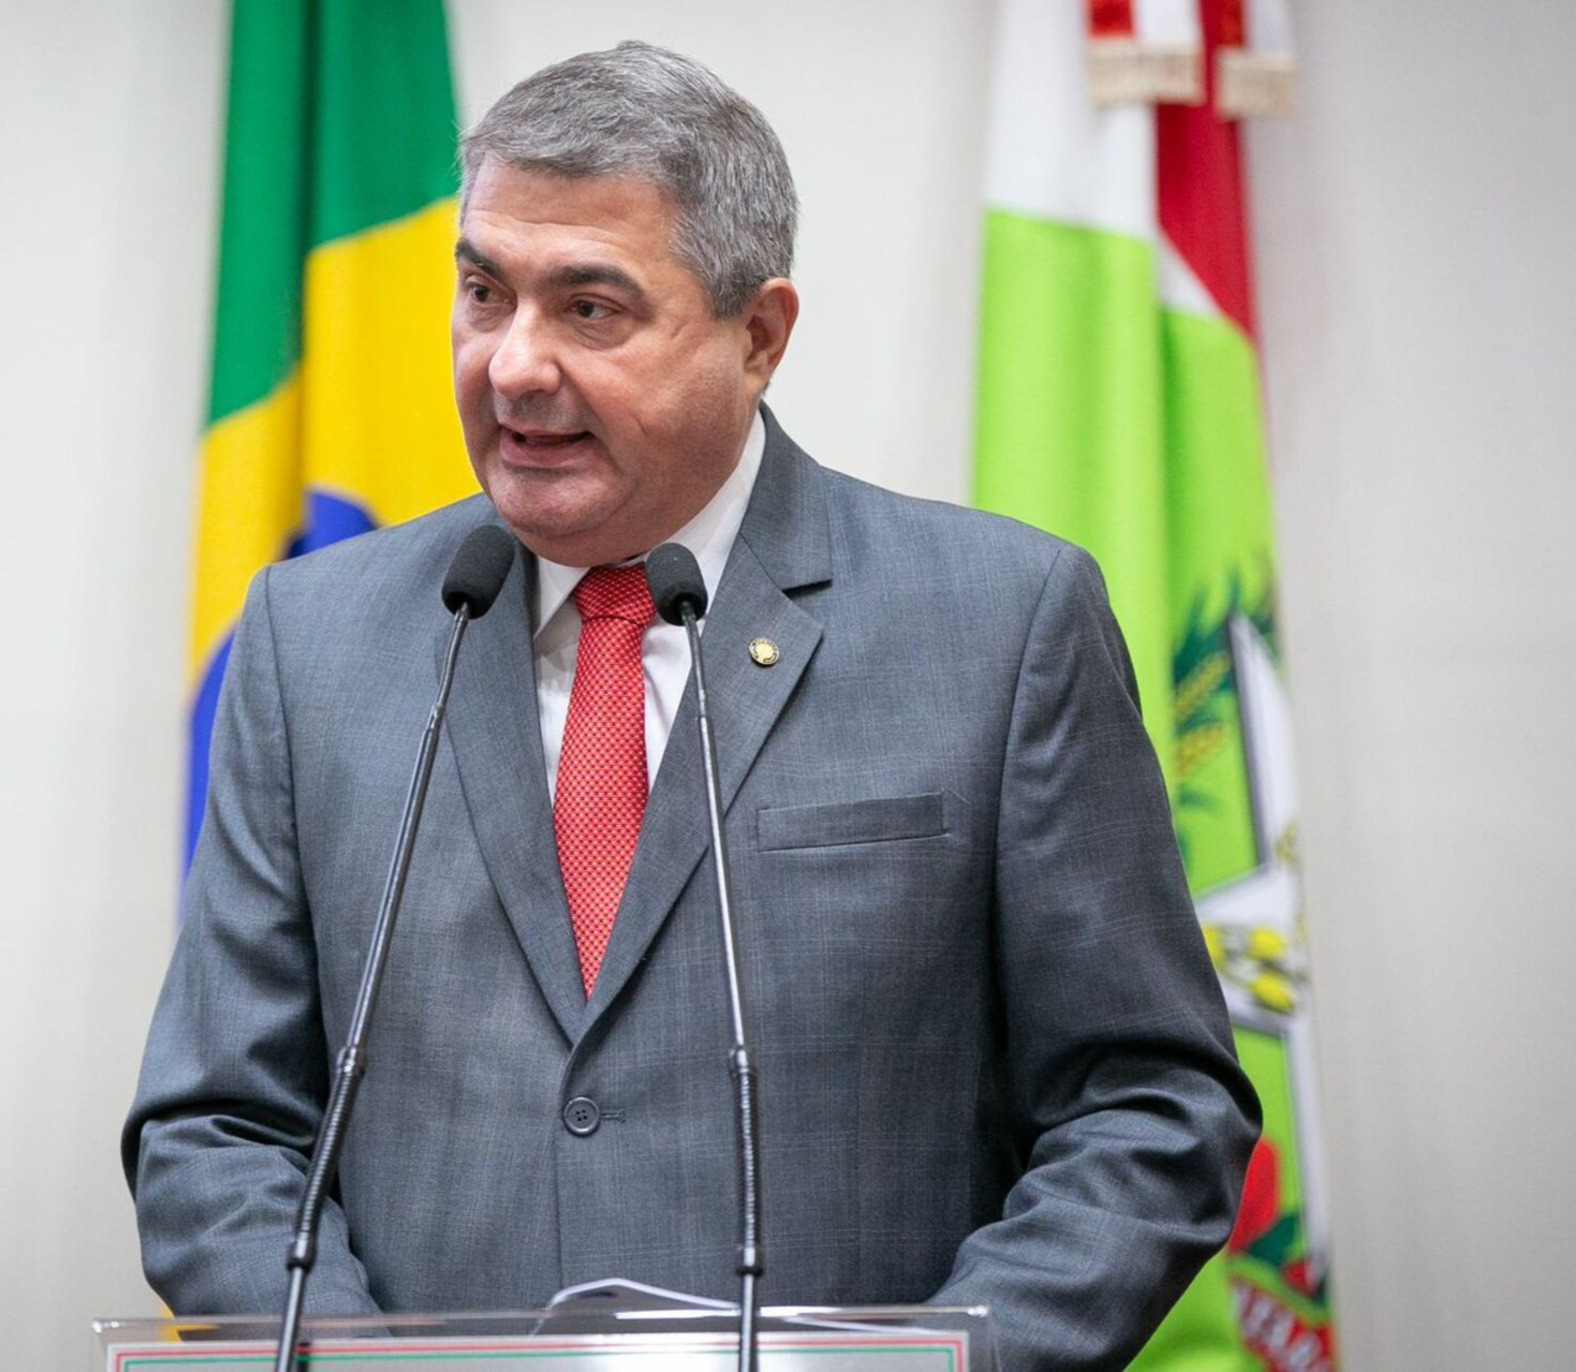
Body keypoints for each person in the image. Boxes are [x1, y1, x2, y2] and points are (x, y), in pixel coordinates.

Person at [124, 41, 1259, 1370]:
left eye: (589, 308)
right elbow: (215, 1126)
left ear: (758, 335)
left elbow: (1149, 1108)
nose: (512, 364)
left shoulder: (999, 627)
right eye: (484, 293)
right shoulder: (310, 640)